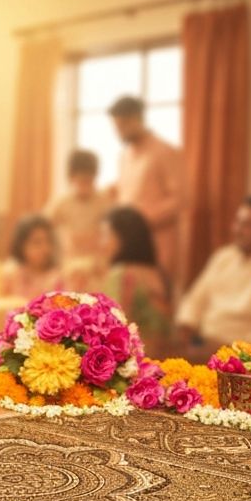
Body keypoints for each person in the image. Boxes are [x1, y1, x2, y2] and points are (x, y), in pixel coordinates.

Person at [175, 195, 251, 352]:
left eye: (245, 225)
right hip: (199, 346)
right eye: (237, 222)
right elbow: (194, 300)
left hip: (237, 361)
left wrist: (228, 351)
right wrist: (186, 327)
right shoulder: (224, 257)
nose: (236, 230)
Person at [109, 95, 184, 281]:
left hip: (158, 243)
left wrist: (141, 222)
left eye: (123, 124)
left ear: (138, 119)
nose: (119, 131)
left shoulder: (165, 151)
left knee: (155, 298)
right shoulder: (124, 156)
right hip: (127, 245)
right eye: (116, 126)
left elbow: (181, 199)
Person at [99, 206, 171, 357]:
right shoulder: (159, 274)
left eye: (106, 235)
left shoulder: (121, 274)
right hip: (162, 361)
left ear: (123, 239)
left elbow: (112, 327)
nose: (102, 244)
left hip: (133, 363)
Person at [45, 149, 112, 262]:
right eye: (81, 181)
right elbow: (43, 226)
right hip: (70, 261)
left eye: (90, 181)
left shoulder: (104, 201)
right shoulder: (61, 202)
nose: (86, 186)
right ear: (71, 178)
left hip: (97, 261)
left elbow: (113, 233)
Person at [0, 215, 63, 301]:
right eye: (37, 243)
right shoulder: (11, 272)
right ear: (21, 245)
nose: (45, 249)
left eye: (48, 241)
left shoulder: (55, 277)